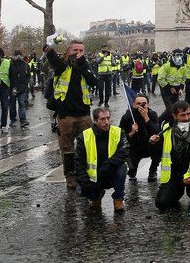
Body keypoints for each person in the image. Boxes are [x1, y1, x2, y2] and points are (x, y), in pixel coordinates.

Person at [45, 38, 98, 189]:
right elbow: (53, 59)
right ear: (69, 51)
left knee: (86, 147)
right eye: (75, 50)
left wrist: (82, 65)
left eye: (81, 50)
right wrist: (49, 46)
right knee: (67, 149)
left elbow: (94, 82)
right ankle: (70, 178)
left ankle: (84, 174)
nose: (78, 53)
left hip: (83, 114)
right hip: (66, 115)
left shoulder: (85, 65)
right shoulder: (62, 65)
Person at [153, 100, 190, 211]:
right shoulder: (166, 129)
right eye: (182, 115)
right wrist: (154, 143)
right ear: (174, 116)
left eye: (188, 114)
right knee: (162, 204)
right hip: (173, 176)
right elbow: (156, 155)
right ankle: (177, 191)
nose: (186, 118)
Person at [75, 107, 129, 212]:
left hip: (111, 171)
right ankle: (96, 197)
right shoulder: (84, 136)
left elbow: (125, 150)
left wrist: (108, 164)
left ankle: (118, 198)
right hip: (94, 177)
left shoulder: (118, 132)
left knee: (123, 167)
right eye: (102, 119)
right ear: (95, 121)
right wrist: (84, 183)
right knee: (81, 190)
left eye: (108, 118)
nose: (106, 122)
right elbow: (79, 162)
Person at [119, 93, 160, 182]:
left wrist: (146, 118)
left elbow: (157, 132)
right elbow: (120, 137)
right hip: (134, 146)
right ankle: (132, 170)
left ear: (148, 104)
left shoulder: (152, 114)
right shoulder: (127, 116)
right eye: (138, 104)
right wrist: (131, 133)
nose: (141, 106)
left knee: (160, 144)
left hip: (150, 144)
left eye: (144, 103)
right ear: (133, 105)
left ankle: (153, 170)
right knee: (132, 172)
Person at [9, 50, 30, 128]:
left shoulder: (25, 65)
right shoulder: (10, 64)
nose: (18, 56)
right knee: (12, 105)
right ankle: (13, 119)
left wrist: (25, 84)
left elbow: (28, 75)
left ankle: (23, 120)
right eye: (17, 55)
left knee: (21, 104)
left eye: (19, 55)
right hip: (13, 88)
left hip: (22, 88)